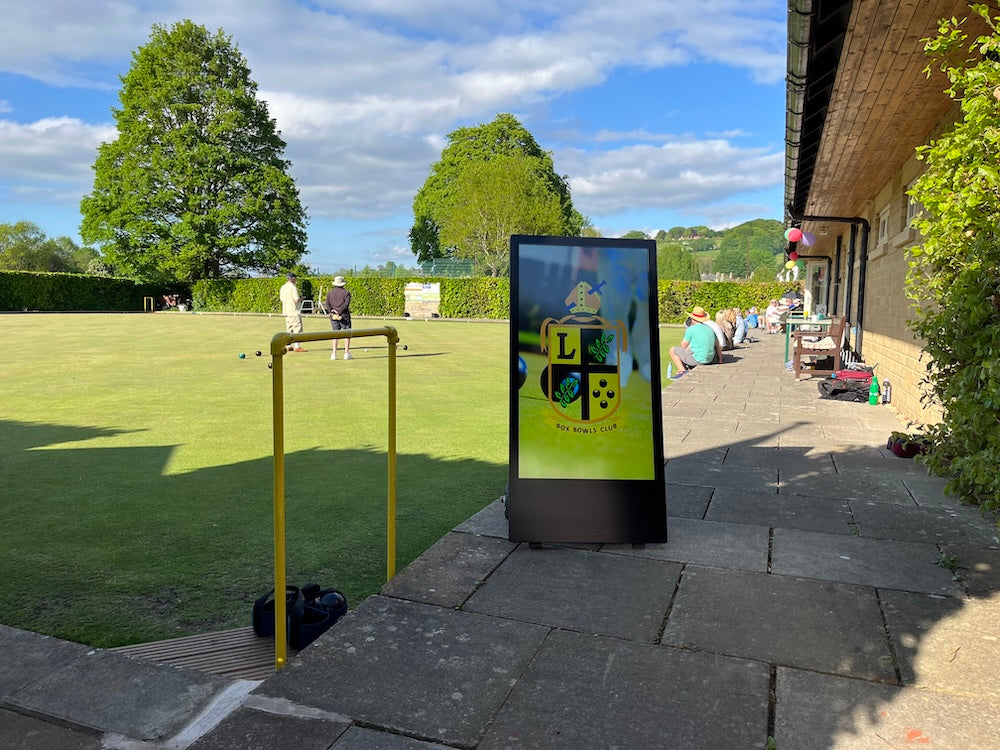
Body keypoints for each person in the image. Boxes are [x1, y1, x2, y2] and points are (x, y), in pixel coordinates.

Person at [668, 306, 722, 379]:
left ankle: (682, 371)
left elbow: (683, 345)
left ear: (692, 318)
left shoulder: (691, 329)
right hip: (710, 360)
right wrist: (720, 359)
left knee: (672, 350)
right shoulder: (709, 328)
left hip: (698, 360)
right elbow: (717, 345)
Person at [325, 276, 352, 360]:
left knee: (335, 334)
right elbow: (346, 305)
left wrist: (333, 311)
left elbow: (327, 304)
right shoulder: (346, 292)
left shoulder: (330, 293)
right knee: (346, 334)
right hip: (344, 316)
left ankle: (334, 354)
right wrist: (339, 311)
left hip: (333, 316)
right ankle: (346, 353)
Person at [279, 273, 307, 352]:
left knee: (289, 329)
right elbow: (296, 299)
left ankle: (288, 345)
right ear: (293, 278)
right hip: (294, 311)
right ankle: (297, 346)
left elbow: (281, 299)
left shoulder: (283, 287)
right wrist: (301, 298)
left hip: (286, 311)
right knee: (297, 329)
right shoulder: (293, 287)